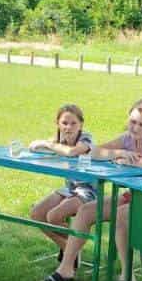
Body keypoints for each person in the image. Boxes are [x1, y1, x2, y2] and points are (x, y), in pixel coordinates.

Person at [42, 99, 142, 281]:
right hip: (134, 196)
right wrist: (119, 153)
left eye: (141, 124)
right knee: (86, 211)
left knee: (120, 215)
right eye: (132, 122)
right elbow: (94, 151)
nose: (135, 128)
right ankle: (66, 270)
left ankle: (129, 280)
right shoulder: (128, 138)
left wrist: (129, 162)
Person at [28, 105, 94, 263]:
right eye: (64, 123)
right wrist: (43, 144)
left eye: (73, 123)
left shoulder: (86, 138)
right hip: (70, 188)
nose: (68, 127)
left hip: (89, 190)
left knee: (53, 217)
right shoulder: (59, 139)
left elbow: (72, 152)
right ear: (57, 124)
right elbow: (34, 147)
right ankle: (69, 249)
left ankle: (71, 253)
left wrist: (48, 145)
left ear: (81, 124)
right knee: (36, 214)